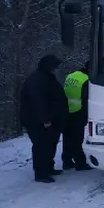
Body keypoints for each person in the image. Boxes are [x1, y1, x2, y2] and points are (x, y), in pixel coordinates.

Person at [19, 54, 69, 183]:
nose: (57, 69)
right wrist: (44, 119)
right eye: (55, 67)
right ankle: (41, 173)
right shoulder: (37, 80)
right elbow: (38, 102)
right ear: (48, 67)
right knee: (41, 146)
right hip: (38, 121)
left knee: (50, 144)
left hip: (50, 120)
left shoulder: (47, 78)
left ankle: (48, 167)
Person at [62, 61, 92, 171]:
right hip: (78, 112)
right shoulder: (86, 80)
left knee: (67, 137)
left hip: (66, 110)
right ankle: (80, 163)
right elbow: (86, 99)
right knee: (77, 139)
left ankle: (67, 161)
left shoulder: (71, 76)